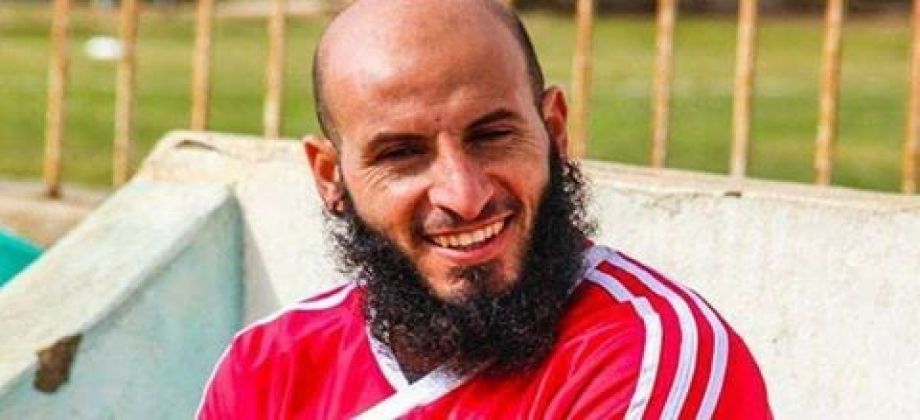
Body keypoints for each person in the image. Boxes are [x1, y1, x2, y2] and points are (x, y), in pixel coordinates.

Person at [197, 0, 772, 418]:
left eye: (492, 136)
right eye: (402, 154)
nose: (463, 195)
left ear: (554, 131)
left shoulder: (648, 355)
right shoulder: (267, 369)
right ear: (331, 176)